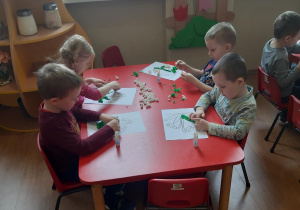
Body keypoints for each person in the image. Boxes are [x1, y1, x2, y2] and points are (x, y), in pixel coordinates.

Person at [36, 63, 134, 210]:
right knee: (117, 167)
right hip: (72, 168)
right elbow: (84, 148)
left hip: (74, 155)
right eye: (74, 99)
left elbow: (76, 113)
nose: (77, 101)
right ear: (55, 100)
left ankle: (114, 189)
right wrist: (108, 129)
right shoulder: (53, 124)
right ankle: (110, 201)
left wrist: (100, 115)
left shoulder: (56, 107)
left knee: (114, 154)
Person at [189, 52, 256, 141]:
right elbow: (207, 95)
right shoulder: (223, 90)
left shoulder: (248, 106)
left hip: (227, 143)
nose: (218, 90)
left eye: (222, 86)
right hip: (211, 132)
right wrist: (200, 109)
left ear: (239, 82)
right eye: (217, 86)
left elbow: (238, 132)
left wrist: (208, 126)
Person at [57, 34, 121, 107]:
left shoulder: (62, 72)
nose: (86, 67)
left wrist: (89, 80)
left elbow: (81, 88)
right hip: (75, 114)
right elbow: (96, 95)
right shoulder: (71, 81)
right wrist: (111, 85)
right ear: (76, 61)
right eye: (86, 63)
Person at [261, 11, 300, 124]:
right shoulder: (280, 58)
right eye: (298, 37)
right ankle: (287, 115)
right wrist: (298, 68)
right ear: (288, 38)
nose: (298, 39)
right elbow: (283, 83)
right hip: (282, 93)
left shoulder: (270, 43)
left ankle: (286, 113)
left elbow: (291, 47)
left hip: (269, 87)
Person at [175, 22, 236, 93]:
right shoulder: (214, 60)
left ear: (227, 47)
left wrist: (194, 81)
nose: (209, 53)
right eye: (209, 49)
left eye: (212, 50)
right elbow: (201, 74)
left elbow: (215, 93)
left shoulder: (227, 69)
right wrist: (187, 68)